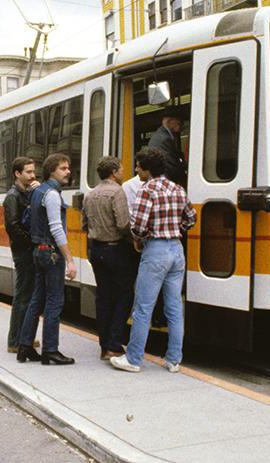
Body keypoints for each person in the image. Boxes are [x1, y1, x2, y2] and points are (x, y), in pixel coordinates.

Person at [111, 147, 196, 374]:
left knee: (143, 307)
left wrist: (140, 239)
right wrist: (175, 230)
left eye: (138, 165)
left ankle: (134, 359)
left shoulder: (146, 190)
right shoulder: (177, 188)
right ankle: (174, 360)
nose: (136, 169)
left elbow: (138, 225)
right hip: (176, 250)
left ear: (147, 169)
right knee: (174, 307)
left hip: (155, 250)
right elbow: (191, 218)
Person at [16, 153, 77, 366]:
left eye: (67, 168)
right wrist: (69, 258)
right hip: (51, 252)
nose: (67, 171)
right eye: (63, 168)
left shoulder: (37, 191)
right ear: (52, 170)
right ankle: (50, 350)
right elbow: (56, 227)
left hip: (38, 251)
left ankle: (24, 347)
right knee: (54, 301)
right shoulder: (51, 194)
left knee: (37, 299)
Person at [82, 156, 135, 361]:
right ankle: (114, 343)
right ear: (113, 172)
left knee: (103, 297)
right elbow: (123, 224)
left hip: (97, 250)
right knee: (124, 295)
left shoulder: (90, 194)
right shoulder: (117, 192)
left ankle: (104, 346)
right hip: (116, 249)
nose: (123, 172)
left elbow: (85, 224)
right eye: (121, 169)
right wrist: (134, 240)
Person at [3, 157, 40, 354]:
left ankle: (24, 337)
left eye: (33, 171)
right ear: (17, 174)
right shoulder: (13, 196)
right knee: (23, 295)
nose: (33, 175)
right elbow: (12, 226)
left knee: (28, 293)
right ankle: (15, 340)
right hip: (23, 251)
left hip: (26, 249)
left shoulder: (26, 193)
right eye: (28, 172)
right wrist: (31, 241)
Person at [147, 105, 187, 187]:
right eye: (179, 123)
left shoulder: (163, 136)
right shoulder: (164, 139)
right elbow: (171, 166)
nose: (181, 127)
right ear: (169, 121)